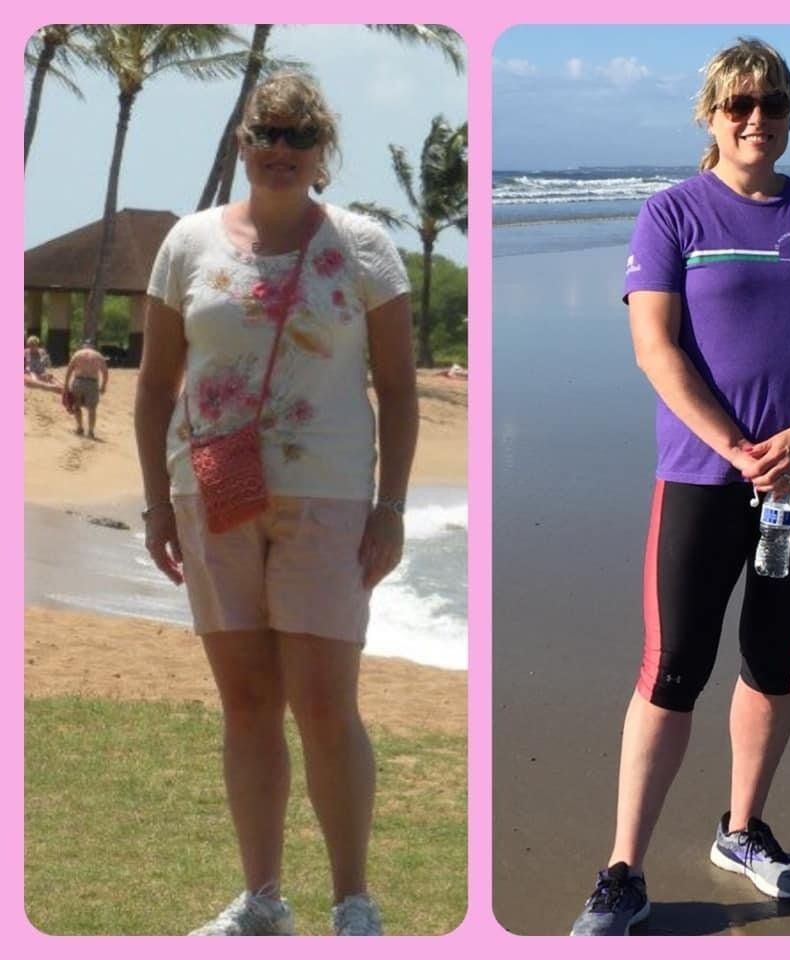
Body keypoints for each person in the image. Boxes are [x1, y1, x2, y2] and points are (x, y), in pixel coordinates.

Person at [570, 38, 790, 935]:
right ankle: (624, 871)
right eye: (739, 105)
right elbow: (655, 348)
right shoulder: (672, 215)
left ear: (788, 115)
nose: (757, 121)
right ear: (709, 113)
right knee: (672, 669)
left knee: (773, 659)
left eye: (773, 106)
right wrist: (740, 447)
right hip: (705, 477)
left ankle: (743, 831)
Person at [134, 72, 417, 936]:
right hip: (212, 493)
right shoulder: (186, 244)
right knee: (248, 703)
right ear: (242, 142)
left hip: (330, 499)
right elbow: (153, 390)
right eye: (268, 133)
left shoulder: (364, 248)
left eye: (300, 136)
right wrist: (155, 504)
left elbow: (399, 392)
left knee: (327, 703)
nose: (282, 150)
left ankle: (353, 902)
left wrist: (392, 509)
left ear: (323, 148)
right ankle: (261, 899)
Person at [64, 338, 109, 438]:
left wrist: (66, 385)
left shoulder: (77, 354)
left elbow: (69, 370)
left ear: (83, 345)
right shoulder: (98, 356)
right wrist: (103, 386)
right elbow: (105, 372)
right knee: (92, 409)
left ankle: (79, 427)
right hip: (92, 383)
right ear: (93, 346)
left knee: (76, 406)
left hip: (78, 381)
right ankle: (91, 431)